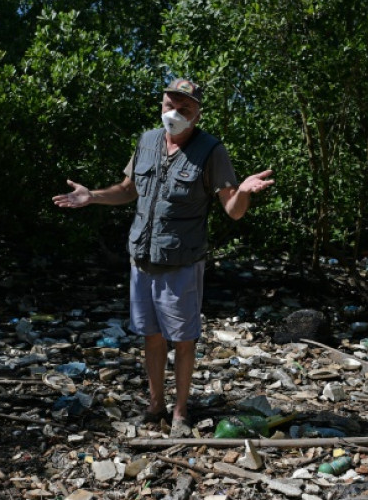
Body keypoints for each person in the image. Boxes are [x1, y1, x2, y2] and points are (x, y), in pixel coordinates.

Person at [52, 78, 274, 437]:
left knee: (183, 340)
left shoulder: (211, 150)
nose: (175, 113)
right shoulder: (147, 141)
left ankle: (181, 411)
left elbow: (233, 210)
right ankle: (155, 406)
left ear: (198, 114)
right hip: (141, 259)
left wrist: (244, 191)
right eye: (170, 105)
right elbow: (128, 190)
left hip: (181, 262)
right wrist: (92, 196)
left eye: (185, 109)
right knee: (151, 336)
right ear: (161, 104)